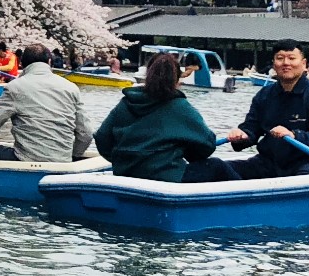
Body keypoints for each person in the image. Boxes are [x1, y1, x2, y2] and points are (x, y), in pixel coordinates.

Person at [93, 53, 230, 183]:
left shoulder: (126, 103)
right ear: (176, 79)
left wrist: (122, 161)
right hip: (166, 177)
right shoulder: (179, 106)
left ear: (147, 75)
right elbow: (207, 144)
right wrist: (184, 151)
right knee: (217, 166)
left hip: (125, 174)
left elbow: (102, 138)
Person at [217, 41, 309, 180]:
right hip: (269, 163)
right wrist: (241, 135)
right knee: (214, 167)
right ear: (274, 64)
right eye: (280, 58)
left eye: (292, 58)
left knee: (306, 177)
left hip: (308, 163)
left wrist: (294, 135)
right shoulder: (264, 95)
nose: (286, 63)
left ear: (303, 64)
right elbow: (251, 129)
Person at [0, 44, 94, 164]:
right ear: (49, 62)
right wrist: (71, 156)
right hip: (62, 161)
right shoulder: (71, 88)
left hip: (26, 161)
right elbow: (86, 134)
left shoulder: (15, 87)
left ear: (23, 65)